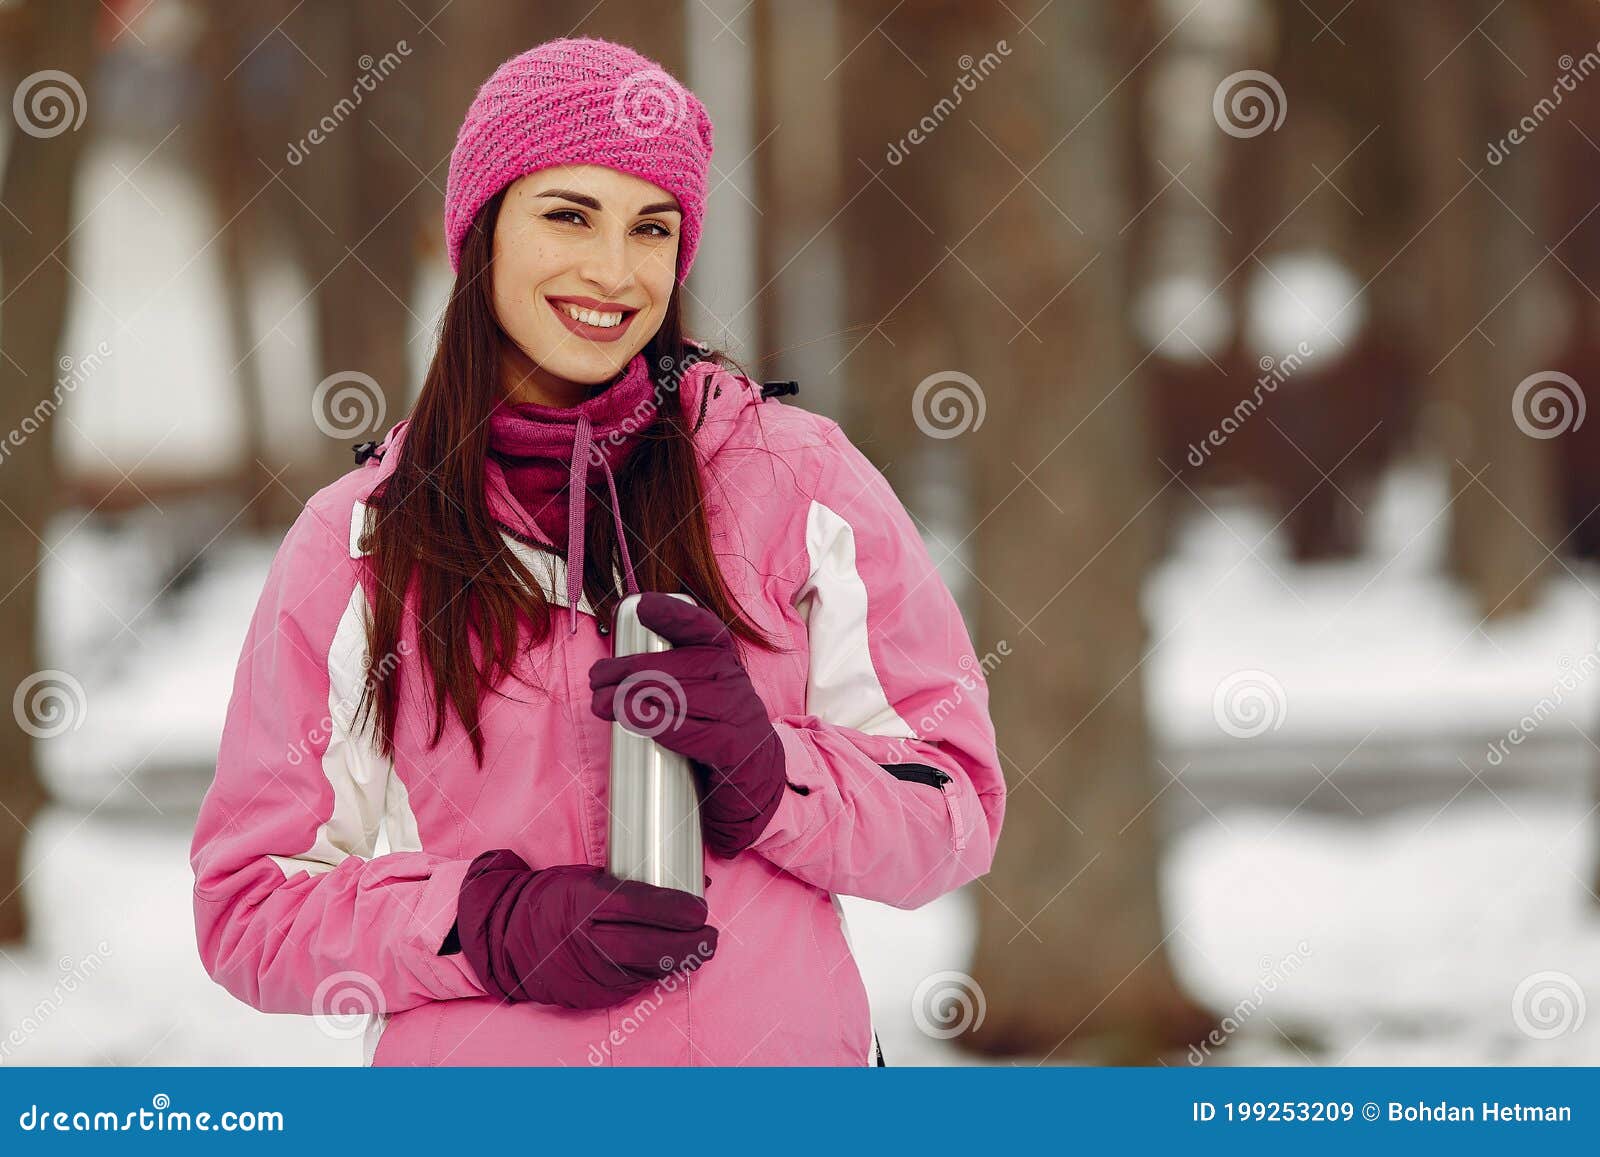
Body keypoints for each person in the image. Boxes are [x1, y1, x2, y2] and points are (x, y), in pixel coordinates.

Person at [189, 34, 1005, 1066]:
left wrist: (770, 770)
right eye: (567, 214)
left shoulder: (800, 481)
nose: (613, 271)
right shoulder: (360, 542)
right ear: (483, 231)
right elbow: (250, 906)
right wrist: (484, 921)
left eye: (651, 228)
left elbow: (954, 807)